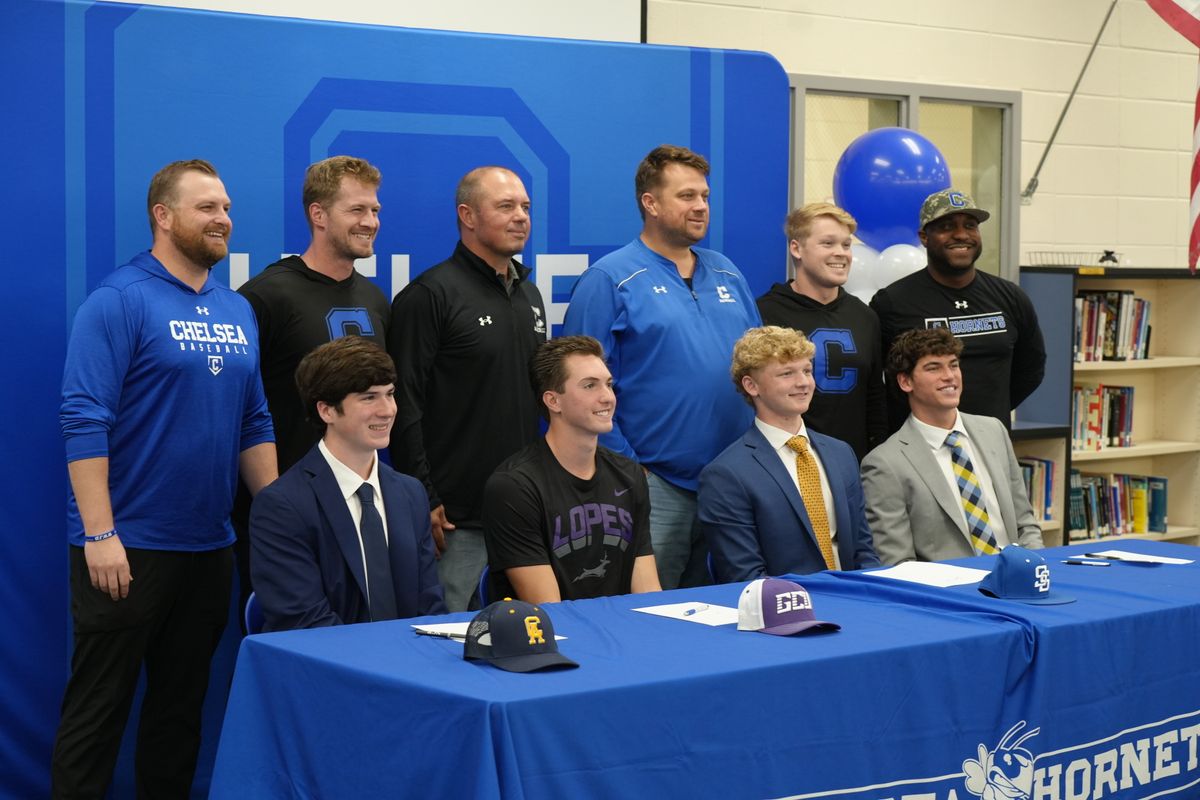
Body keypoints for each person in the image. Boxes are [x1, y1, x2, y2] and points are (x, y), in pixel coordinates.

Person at [53, 160, 278, 798]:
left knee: (179, 716)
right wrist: (100, 535)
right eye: (207, 207)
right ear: (163, 215)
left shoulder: (237, 309)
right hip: (125, 549)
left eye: (226, 207)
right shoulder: (119, 300)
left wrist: (278, 518)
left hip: (209, 548)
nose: (223, 219)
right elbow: (83, 420)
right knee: (96, 714)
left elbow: (255, 422)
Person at [562, 144, 761, 589]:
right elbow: (576, 386)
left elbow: (760, 368)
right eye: (687, 196)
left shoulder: (728, 273)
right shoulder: (610, 279)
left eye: (705, 196)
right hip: (654, 486)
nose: (701, 206)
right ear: (650, 203)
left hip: (733, 482)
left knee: (727, 610)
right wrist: (627, 468)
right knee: (647, 611)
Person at [388, 166, 547, 611]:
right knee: (448, 638)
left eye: (525, 207)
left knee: (527, 637)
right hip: (455, 521)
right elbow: (403, 403)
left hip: (522, 511)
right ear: (468, 215)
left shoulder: (530, 295)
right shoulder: (430, 295)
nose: (521, 216)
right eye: (506, 206)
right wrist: (424, 497)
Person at [234, 156, 389, 607]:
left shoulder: (376, 299)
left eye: (375, 210)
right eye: (356, 210)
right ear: (318, 214)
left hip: (361, 509)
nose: (370, 222)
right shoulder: (266, 296)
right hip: (288, 512)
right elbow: (240, 408)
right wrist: (273, 504)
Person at [250, 337, 445, 630]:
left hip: (407, 655)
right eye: (369, 397)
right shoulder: (282, 505)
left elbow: (430, 609)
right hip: (327, 658)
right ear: (326, 410)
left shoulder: (410, 493)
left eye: (390, 394)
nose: (387, 410)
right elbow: (305, 622)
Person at [483, 336, 660, 603]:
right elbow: (548, 608)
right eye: (590, 385)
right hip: (555, 629)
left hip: (623, 625)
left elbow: (648, 594)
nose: (608, 397)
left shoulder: (629, 475)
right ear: (553, 401)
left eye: (609, 384)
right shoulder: (514, 487)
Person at [698, 326, 879, 583]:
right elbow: (745, 576)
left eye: (807, 370)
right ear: (751, 385)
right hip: (785, 605)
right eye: (786, 373)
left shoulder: (841, 453)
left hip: (855, 597)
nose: (803, 382)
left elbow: (864, 549)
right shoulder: (726, 474)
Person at [861, 328, 1044, 565]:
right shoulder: (885, 463)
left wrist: (1036, 567)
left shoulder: (994, 431)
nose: (949, 376)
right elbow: (898, 563)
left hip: (1016, 575)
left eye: (954, 365)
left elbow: (1025, 524)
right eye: (934, 368)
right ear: (905, 381)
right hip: (948, 585)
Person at [870, 189, 1045, 433]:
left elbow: (1030, 370)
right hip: (920, 444)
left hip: (990, 443)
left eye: (970, 225)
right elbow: (875, 383)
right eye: (947, 226)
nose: (961, 234)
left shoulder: (1011, 298)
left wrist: (990, 412)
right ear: (924, 237)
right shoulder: (893, 303)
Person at [757, 203, 885, 461]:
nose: (841, 253)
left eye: (846, 245)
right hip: (786, 462)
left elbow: (875, 399)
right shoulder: (764, 314)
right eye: (828, 243)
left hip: (852, 463)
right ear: (796, 249)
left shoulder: (865, 317)